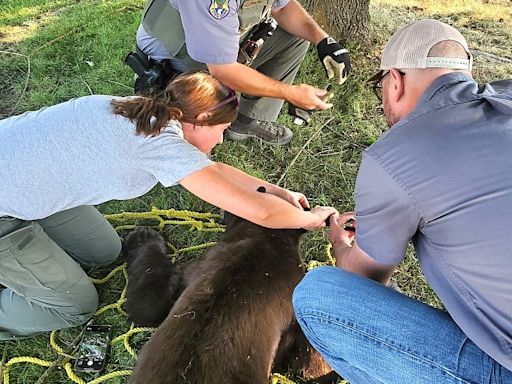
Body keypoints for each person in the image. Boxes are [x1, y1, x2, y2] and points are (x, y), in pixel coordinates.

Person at [0, 71, 337, 339]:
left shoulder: (144, 110)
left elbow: (213, 171)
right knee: (76, 306)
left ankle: (30, 239)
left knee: (104, 252)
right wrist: (308, 219)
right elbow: (260, 212)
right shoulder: (159, 147)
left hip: (21, 187)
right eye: (221, 129)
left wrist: (278, 192)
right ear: (200, 117)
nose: (220, 140)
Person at [293, 19, 512, 383]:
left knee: (320, 296)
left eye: (379, 86)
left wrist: (341, 244)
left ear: (395, 80)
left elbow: (364, 277)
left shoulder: (393, 155)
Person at [131, 0, 352, 146]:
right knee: (207, 90)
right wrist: (290, 93)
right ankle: (184, 140)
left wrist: (324, 41)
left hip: (218, 45)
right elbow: (223, 70)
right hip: (176, 59)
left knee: (293, 40)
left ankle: (247, 120)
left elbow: (283, 7)